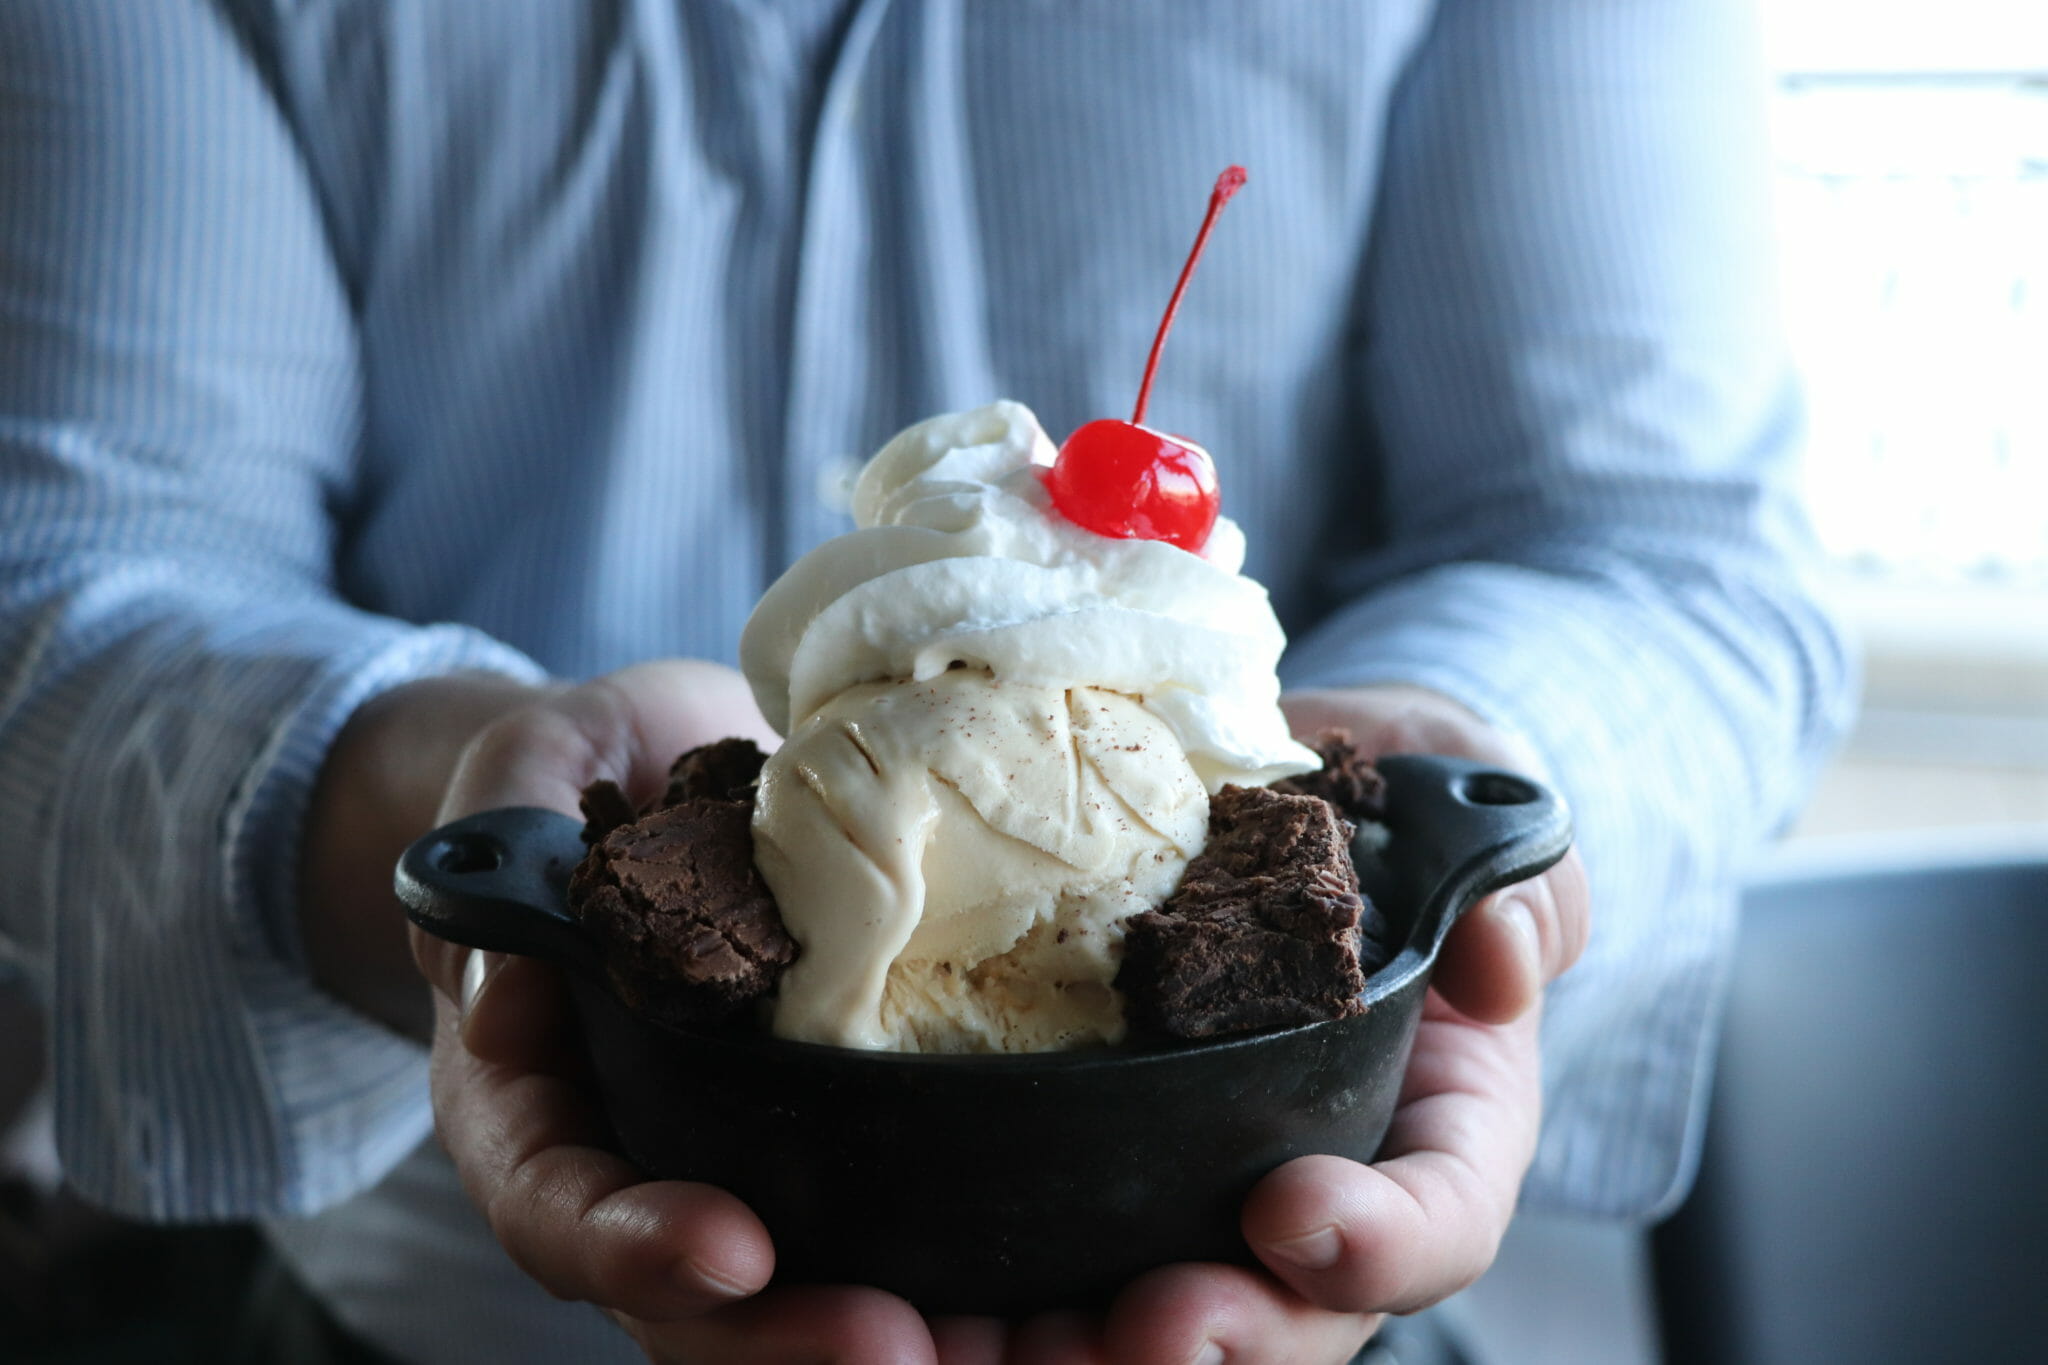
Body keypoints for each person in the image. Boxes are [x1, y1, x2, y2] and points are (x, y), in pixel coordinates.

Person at [0, 2, 1852, 1362]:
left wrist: (1449, 785)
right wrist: (459, 817)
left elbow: (1656, 551)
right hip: (420, 1311)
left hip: (1282, 1273)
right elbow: (75, 578)